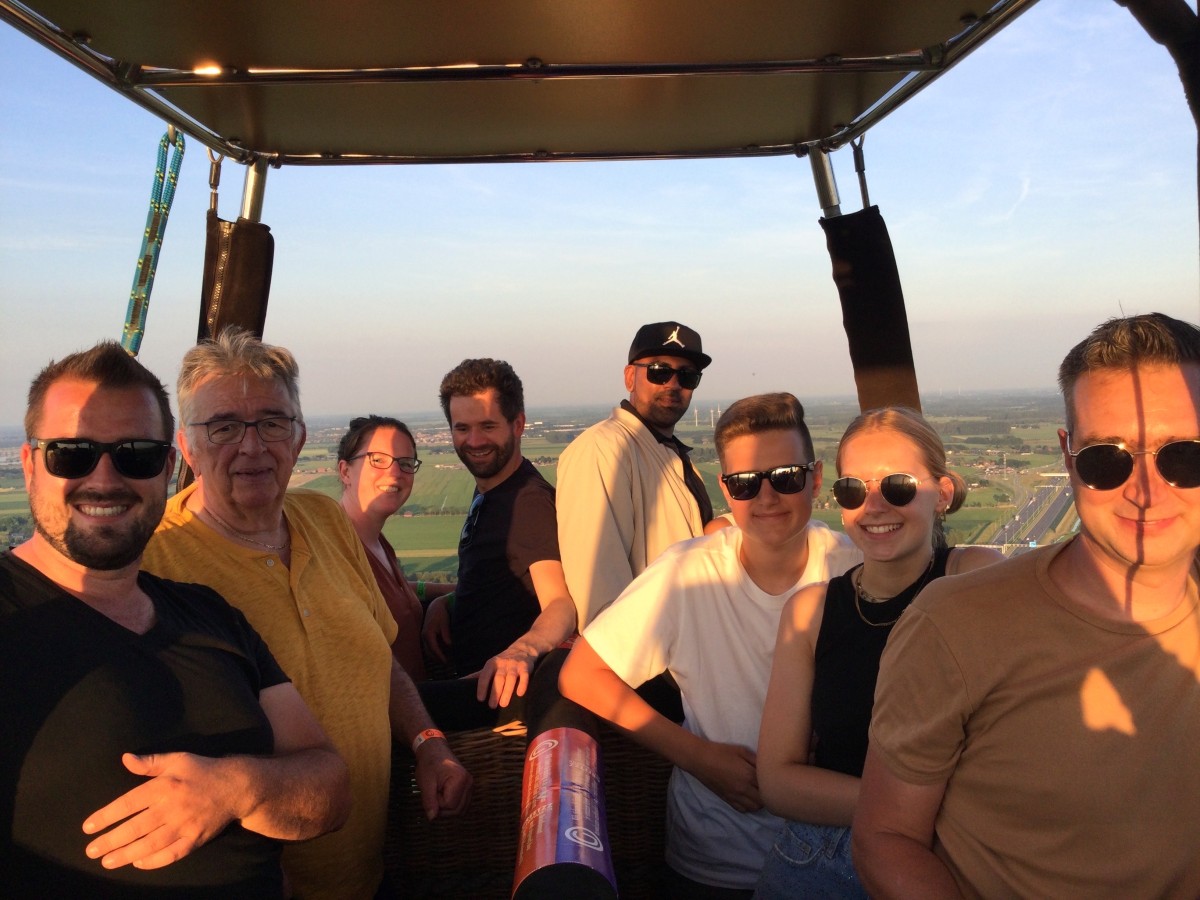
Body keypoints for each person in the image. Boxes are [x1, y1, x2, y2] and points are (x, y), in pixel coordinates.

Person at [853, 313, 1200, 899]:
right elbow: (885, 838)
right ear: (1068, 456)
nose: (1145, 491)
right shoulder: (956, 625)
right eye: (1106, 459)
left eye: (1184, 455)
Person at [2, 341, 349, 898]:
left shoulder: (211, 616)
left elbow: (330, 788)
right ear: (30, 465)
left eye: (135, 454)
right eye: (72, 453)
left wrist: (237, 788)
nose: (104, 478)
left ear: (167, 467)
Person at [142, 327, 471, 900]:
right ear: (186, 447)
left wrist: (428, 743)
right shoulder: (155, 562)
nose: (252, 447)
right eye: (223, 426)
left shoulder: (324, 519)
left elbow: (379, 658)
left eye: (272, 422)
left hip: (369, 869)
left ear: (298, 436)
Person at [560, 393, 861, 898]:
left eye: (785, 477)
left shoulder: (854, 570)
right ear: (726, 490)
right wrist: (697, 756)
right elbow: (581, 675)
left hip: (833, 856)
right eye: (746, 483)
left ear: (815, 477)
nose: (766, 498)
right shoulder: (686, 575)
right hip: (714, 860)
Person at [754, 407, 1002, 899]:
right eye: (853, 490)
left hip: (952, 860)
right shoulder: (812, 612)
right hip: (821, 857)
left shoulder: (974, 577)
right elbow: (778, 780)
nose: (874, 506)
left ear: (944, 493)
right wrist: (908, 812)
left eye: (899, 486)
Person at [420, 358, 577, 727]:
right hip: (478, 678)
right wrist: (447, 601)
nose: (474, 441)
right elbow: (504, 579)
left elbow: (560, 602)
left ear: (517, 425)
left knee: (382, 703)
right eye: (462, 428)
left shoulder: (527, 502)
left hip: (496, 694)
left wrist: (521, 651)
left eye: (488, 426)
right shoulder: (493, 491)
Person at [556, 321, 715, 627]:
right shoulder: (602, 450)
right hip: (643, 659)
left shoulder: (667, 452)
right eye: (658, 370)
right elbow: (598, 590)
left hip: (684, 646)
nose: (672, 384)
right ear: (630, 376)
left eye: (687, 375)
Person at [336, 414, 453, 681]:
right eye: (377, 460)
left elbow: (387, 591)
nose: (394, 472)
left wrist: (449, 594)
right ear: (345, 471)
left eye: (405, 463)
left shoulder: (378, 543)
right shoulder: (337, 549)